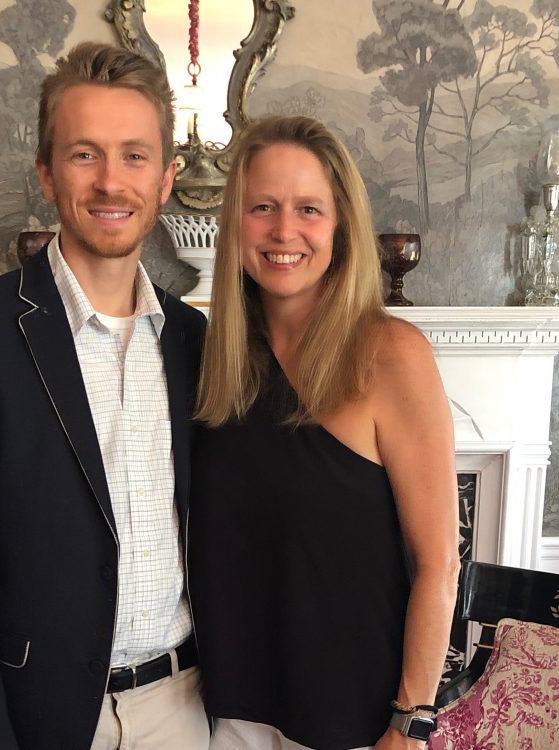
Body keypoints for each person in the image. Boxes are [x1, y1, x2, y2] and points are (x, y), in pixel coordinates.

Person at [0, 42, 209, 750]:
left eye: (134, 156)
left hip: (189, 708)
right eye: (84, 154)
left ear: (165, 179)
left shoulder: (196, 340)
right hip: (46, 720)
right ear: (46, 172)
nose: (111, 181)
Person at [189, 116, 460, 750]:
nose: (284, 230)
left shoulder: (391, 355)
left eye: (308, 208)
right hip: (232, 718)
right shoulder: (213, 362)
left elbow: (439, 565)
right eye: (263, 207)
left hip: (359, 724)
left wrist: (409, 722)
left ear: (340, 225)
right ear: (236, 225)